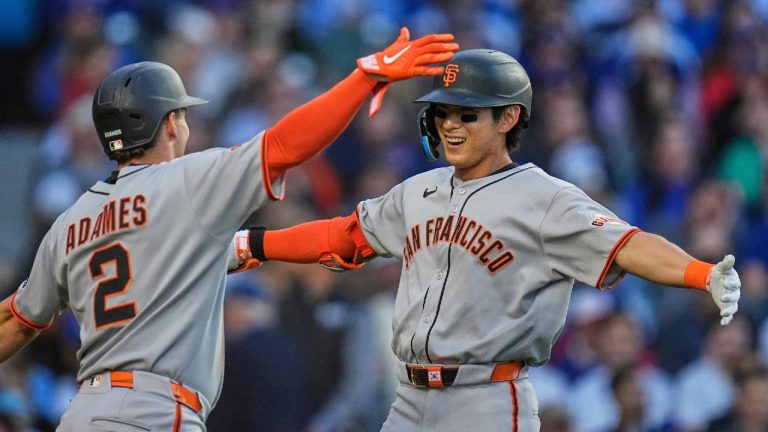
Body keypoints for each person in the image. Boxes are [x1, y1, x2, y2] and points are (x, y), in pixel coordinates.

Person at [229, 49, 742, 431]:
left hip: (486, 399)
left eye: (467, 113)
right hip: (408, 399)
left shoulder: (546, 198)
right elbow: (342, 237)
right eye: (444, 112)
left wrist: (701, 274)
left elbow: (627, 245)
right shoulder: (418, 191)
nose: (450, 124)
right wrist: (254, 245)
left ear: (509, 117)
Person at [0, 27, 458, 431]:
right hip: (154, 412)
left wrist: (331, 238)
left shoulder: (71, 223)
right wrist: (367, 77)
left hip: (84, 413)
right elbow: (285, 145)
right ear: (170, 123)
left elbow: (17, 321)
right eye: (182, 114)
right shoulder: (189, 184)